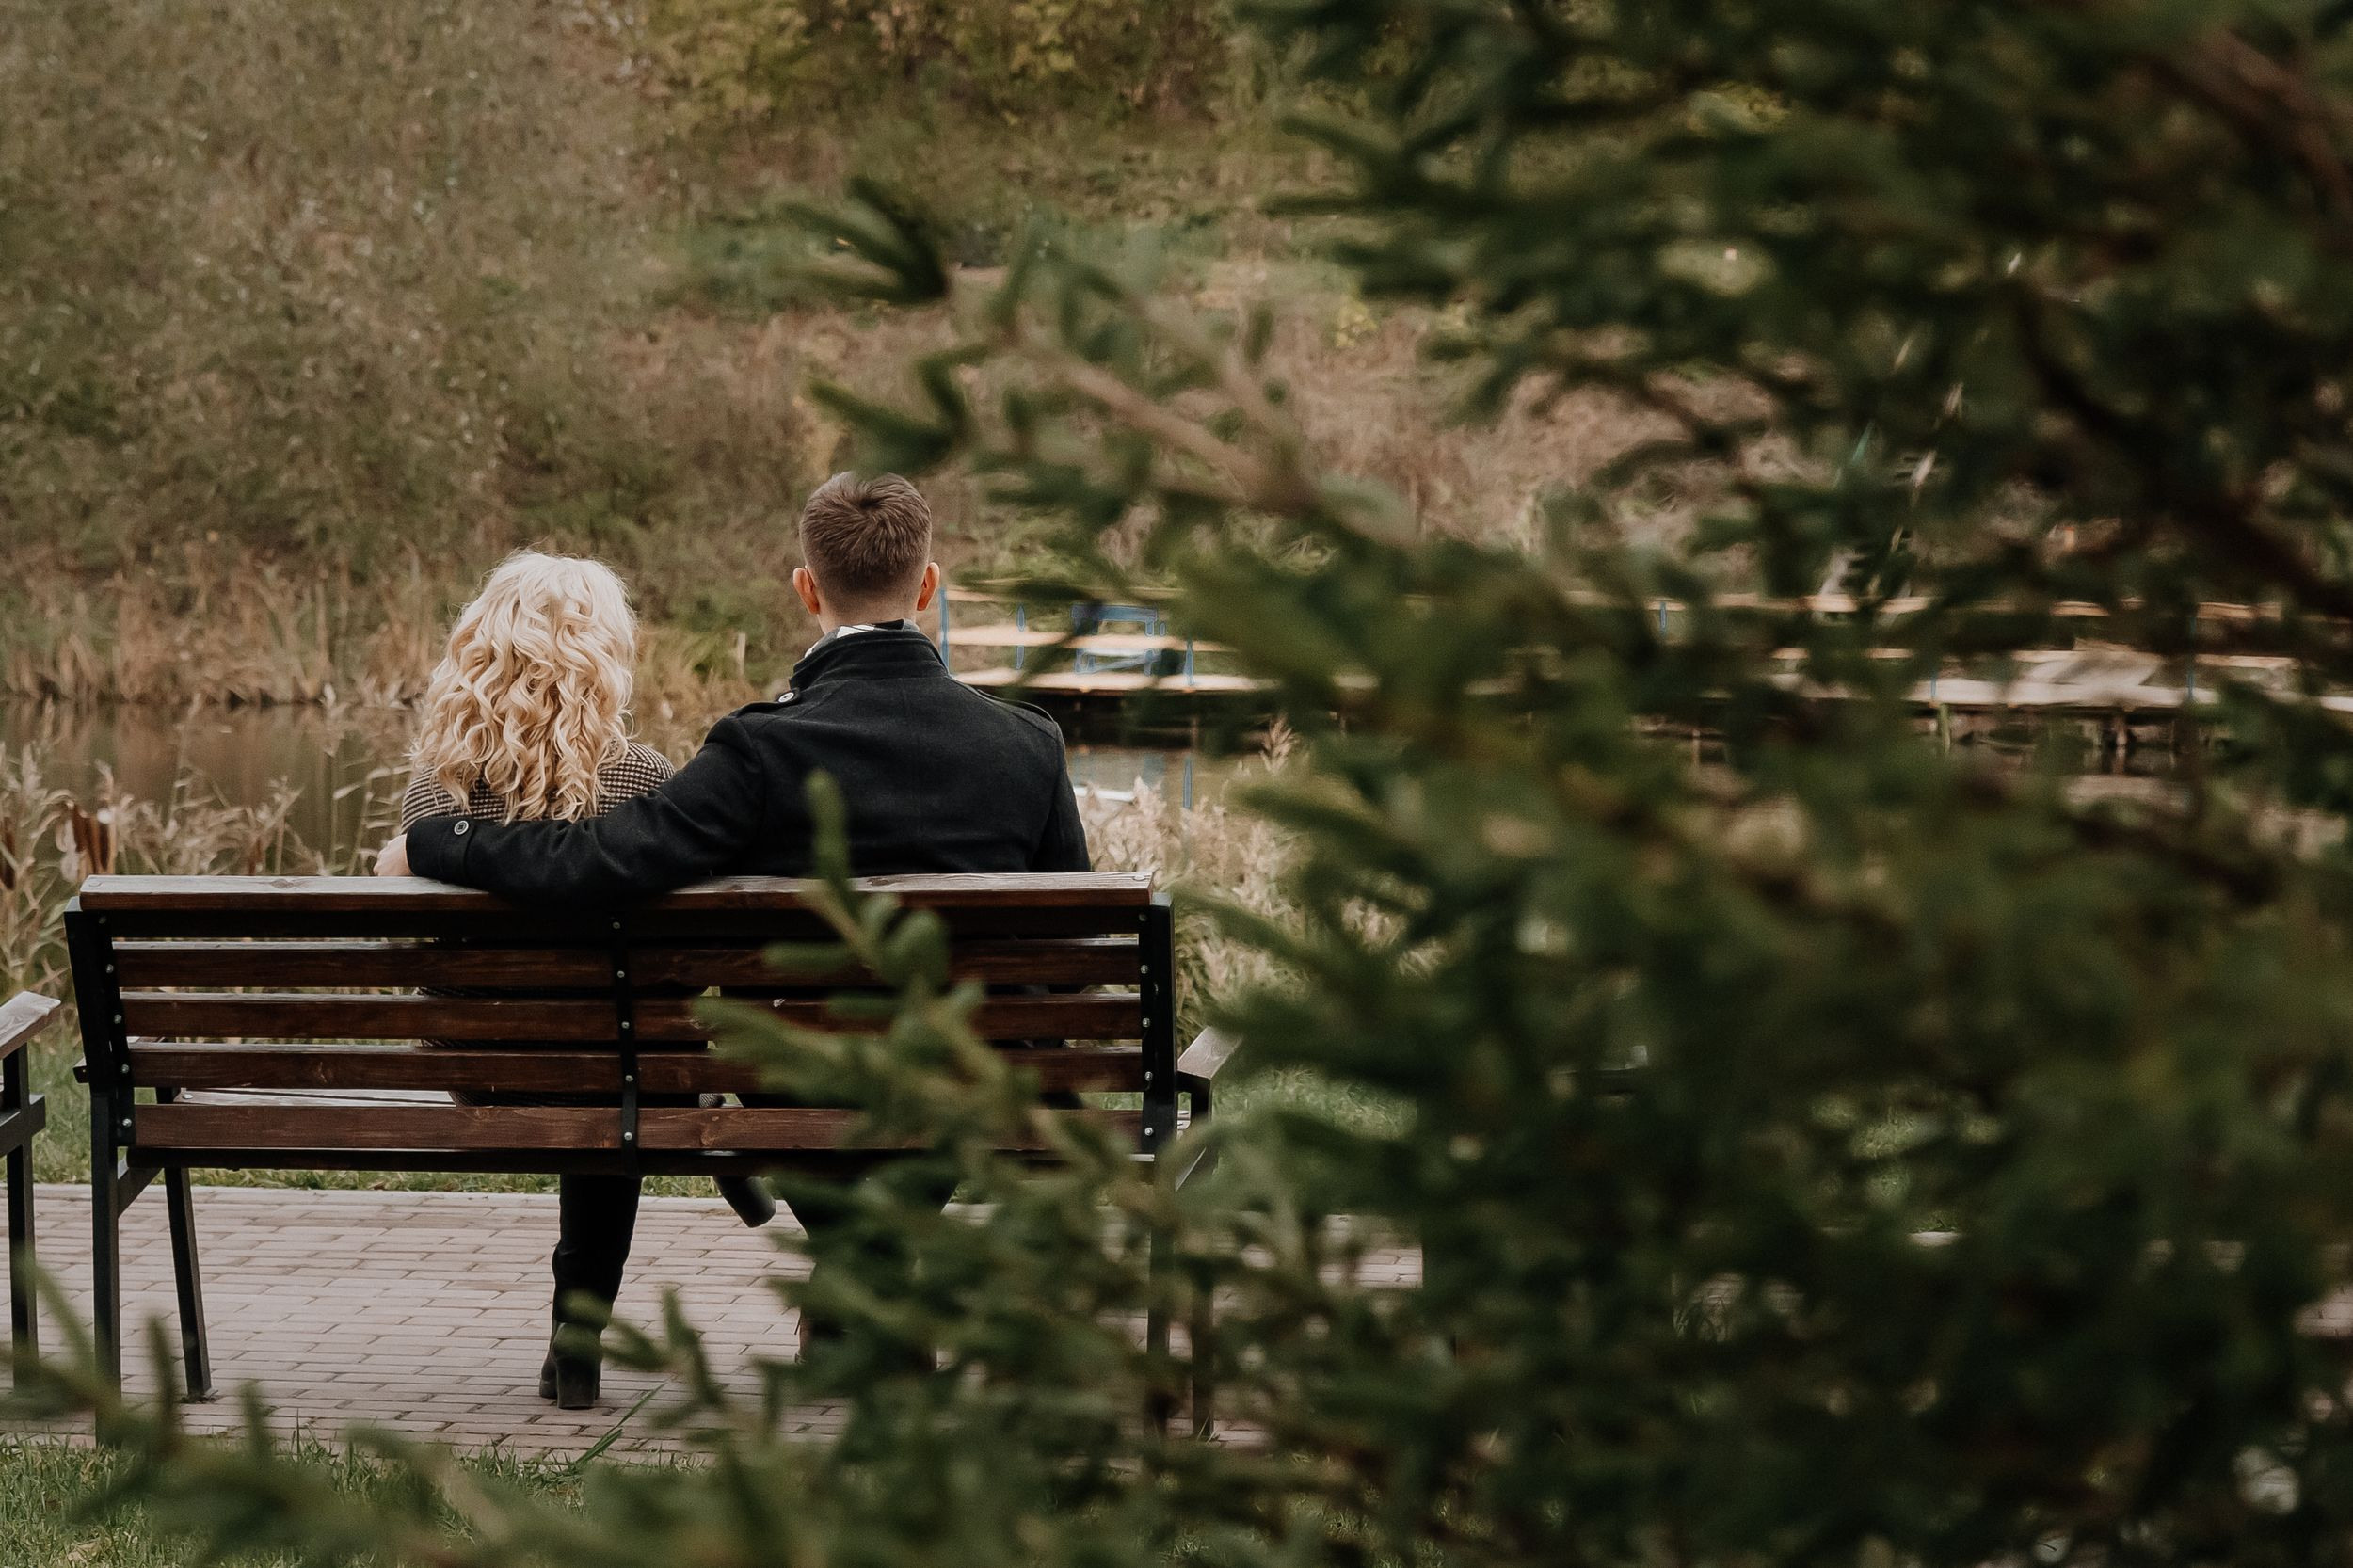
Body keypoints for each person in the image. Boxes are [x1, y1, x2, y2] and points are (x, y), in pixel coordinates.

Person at [376, 473, 1093, 1374]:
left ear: (805, 589)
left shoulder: (761, 750)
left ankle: (867, 1279)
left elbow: (597, 865)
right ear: (928, 585)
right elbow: (1069, 957)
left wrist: (445, 840)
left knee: (765, 1049)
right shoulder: (1029, 744)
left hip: (807, 1077)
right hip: (974, 1077)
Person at [392, 550, 776, 1411]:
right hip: (626, 1072)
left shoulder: (433, 799)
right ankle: (579, 1333)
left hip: (476, 1074)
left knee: (606, 1067)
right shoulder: (642, 782)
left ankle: (577, 1337)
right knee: (619, 1074)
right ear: (604, 659)